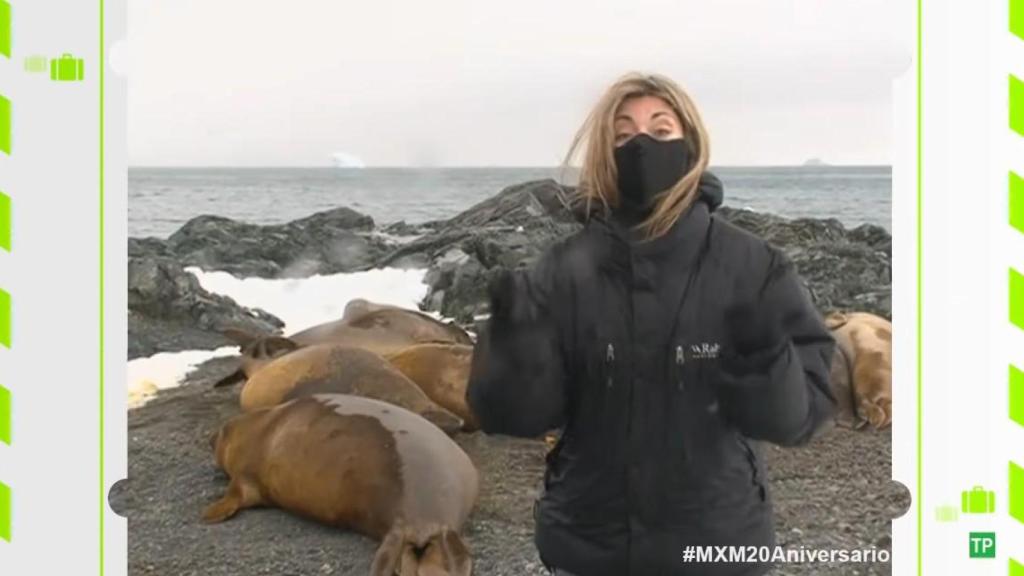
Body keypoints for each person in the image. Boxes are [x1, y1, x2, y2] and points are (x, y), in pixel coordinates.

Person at [465, 71, 837, 576]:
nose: (641, 145)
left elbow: (799, 418)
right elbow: (512, 418)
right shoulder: (561, 270)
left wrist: (765, 360)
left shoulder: (754, 267)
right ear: (605, 152)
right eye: (623, 136)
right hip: (587, 549)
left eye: (661, 130)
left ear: (691, 144)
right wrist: (515, 346)